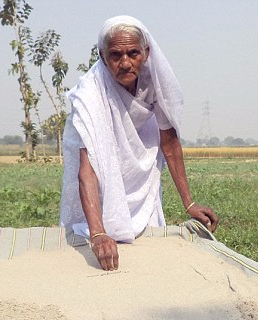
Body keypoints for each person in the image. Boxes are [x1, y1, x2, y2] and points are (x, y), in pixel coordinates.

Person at [59, 15, 218, 271]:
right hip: (101, 169)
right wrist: (98, 233)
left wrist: (189, 202)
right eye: (115, 55)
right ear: (102, 55)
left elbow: (169, 140)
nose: (125, 63)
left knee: (148, 250)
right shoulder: (90, 93)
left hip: (142, 167)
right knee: (92, 235)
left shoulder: (154, 79)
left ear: (145, 53)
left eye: (133, 53)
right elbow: (88, 170)